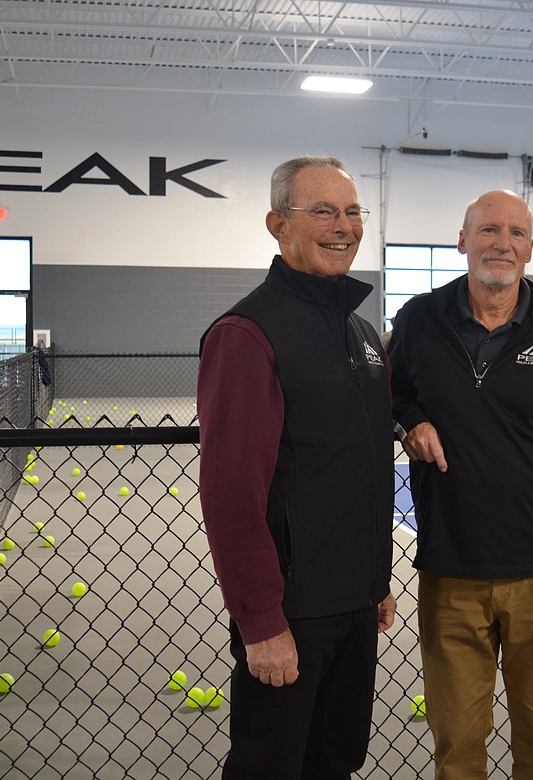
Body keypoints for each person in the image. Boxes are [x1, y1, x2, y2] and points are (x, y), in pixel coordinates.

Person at [387, 189, 533, 780]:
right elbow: (389, 393)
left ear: (530, 248)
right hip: (451, 574)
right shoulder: (419, 320)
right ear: (463, 240)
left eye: (517, 233)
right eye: (489, 230)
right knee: (457, 745)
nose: (503, 243)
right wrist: (410, 420)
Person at [197, 155, 397, 780]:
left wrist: (377, 579)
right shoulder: (247, 334)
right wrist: (260, 622)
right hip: (291, 612)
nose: (344, 226)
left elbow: (364, 464)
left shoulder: (360, 331)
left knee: (335, 761)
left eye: (352, 211)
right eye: (323, 212)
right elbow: (232, 496)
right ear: (277, 224)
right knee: (271, 766)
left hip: (356, 603)